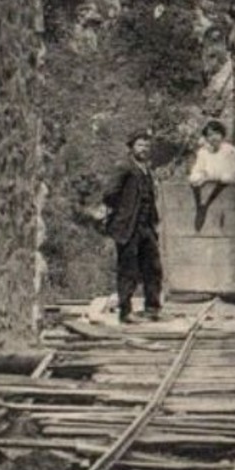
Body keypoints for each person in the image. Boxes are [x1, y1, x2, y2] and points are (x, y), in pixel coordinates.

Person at [102, 130, 163, 324]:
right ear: (132, 147)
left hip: (146, 227)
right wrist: (123, 213)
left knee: (153, 267)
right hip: (128, 226)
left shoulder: (146, 169)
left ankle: (152, 308)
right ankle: (125, 311)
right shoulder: (124, 167)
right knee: (128, 269)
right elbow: (110, 194)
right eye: (140, 145)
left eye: (146, 145)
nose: (144, 149)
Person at [189, 119, 235, 231]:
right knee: (196, 181)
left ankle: (204, 208)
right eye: (210, 135)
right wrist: (202, 175)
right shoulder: (203, 152)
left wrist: (206, 176)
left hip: (224, 192)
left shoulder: (229, 150)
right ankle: (201, 209)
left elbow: (228, 174)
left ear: (222, 135)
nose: (214, 137)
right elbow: (193, 175)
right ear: (206, 138)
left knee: (224, 178)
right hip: (207, 191)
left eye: (217, 133)